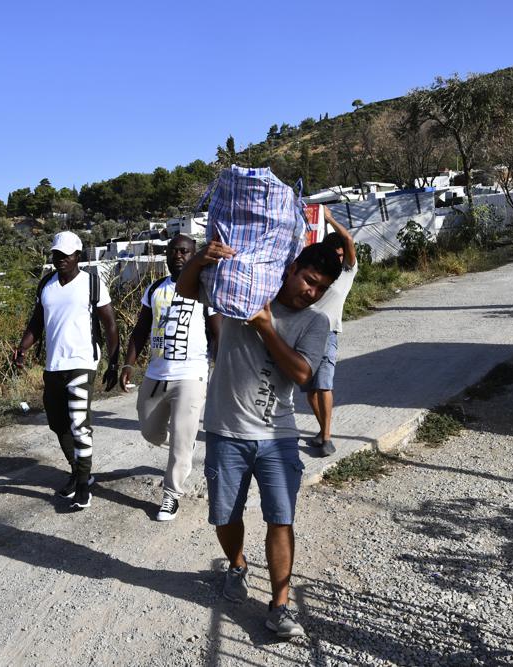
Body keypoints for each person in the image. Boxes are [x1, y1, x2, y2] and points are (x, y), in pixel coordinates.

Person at [175, 240, 342, 638]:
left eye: (320, 289)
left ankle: (280, 606)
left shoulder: (315, 323)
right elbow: (185, 289)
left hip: (277, 434)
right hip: (225, 431)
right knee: (225, 516)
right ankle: (237, 565)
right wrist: (201, 258)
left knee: (281, 519)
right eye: (308, 280)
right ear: (292, 267)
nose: (311, 292)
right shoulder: (243, 291)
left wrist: (266, 326)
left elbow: (303, 374)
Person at [119, 234, 222, 521]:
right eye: (174, 251)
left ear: (194, 256)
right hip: (156, 373)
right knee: (149, 431)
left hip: (191, 375)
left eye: (185, 252)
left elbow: (218, 333)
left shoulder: (205, 290)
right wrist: (128, 365)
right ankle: (182, 444)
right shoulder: (154, 289)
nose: (178, 255)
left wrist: (221, 369)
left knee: (180, 439)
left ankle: (171, 494)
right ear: (166, 256)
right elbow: (140, 329)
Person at [14, 231, 119, 510]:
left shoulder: (92, 284)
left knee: (79, 424)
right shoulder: (46, 285)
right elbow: (36, 323)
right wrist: (22, 348)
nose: (60, 259)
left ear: (78, 256)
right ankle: (78, 470)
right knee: (58, 424)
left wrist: (115, 360)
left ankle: (84, 485)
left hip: (83, 362)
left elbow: (109, 324)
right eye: (56, 254)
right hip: (54, 365)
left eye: (66, 254)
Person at [304, 206, 359, 457]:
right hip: (303, 334)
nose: (338, 258)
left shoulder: (347, 273)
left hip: (328, 334)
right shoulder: (317, 272)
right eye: (334, 255)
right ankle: (322, 430)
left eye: (341, 255)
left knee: (324, 385)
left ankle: (326, 437)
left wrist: (329, 219)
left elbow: (347, 240)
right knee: (310, 391)